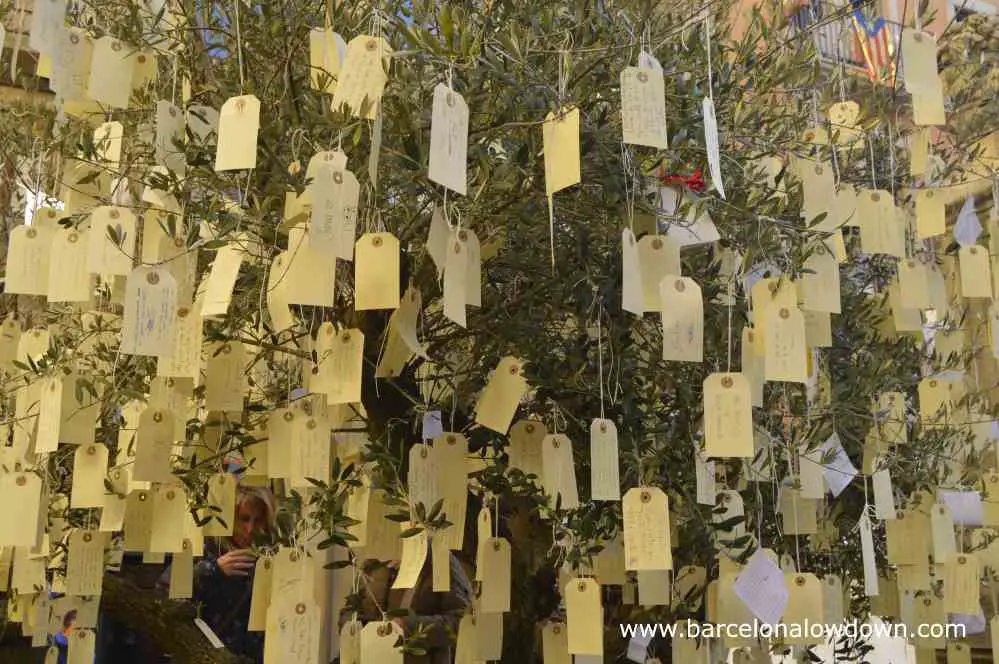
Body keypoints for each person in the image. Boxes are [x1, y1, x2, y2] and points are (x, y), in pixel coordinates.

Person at [339, 546, 474, 664]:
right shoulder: (373, 563)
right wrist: (356, 630)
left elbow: (463, 623)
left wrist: (409, 626)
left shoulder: (441, 561)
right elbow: (348, 612)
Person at [192, 483, 276, 664]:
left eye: (258, 520)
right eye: (244, 519)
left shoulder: (273, 556)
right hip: (213, 655)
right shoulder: (209, 548)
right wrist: (214, 570)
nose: (250, 529)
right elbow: (174, 597)